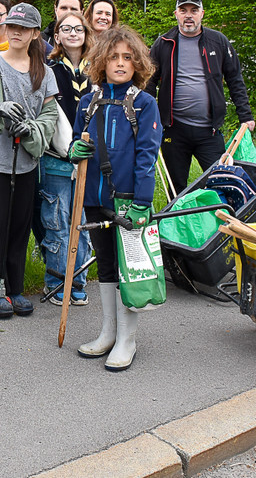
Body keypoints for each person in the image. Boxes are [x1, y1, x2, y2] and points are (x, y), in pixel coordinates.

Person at [68, 25, 161, 372]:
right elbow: (78, 142)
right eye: (113, 57)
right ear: (101, 62)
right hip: (93, 196)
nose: (120, 63)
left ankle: (127, 340)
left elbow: (146, 156)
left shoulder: (144, 104)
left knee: (130, 271)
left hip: (128, 200)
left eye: (127, 57)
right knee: (106, 265)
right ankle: (108, 333)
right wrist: (73, 150)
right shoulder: (88, 102)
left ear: (137, 63)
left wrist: (142, 201)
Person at [0, 3, 58, 319]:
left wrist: (30, 129)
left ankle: (15, 289)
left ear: (34, 33)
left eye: (24, 28)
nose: (16, 32)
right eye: (12, 26)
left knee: (19, 227)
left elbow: (50, 114)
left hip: (27, 161)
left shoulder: (44, 72)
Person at [146, 0, 255, 194]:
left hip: (209, 131)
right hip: (173, 131)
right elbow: (149, 83)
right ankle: (176, 223)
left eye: (194, 10)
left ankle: (219, 223)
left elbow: (235, 80)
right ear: (176, 14)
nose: (189, 15)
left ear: (202, 13)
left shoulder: (219, 42)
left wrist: (246, 116)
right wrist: (147, 118)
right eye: (183, 10)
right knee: (175, 188)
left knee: (221, 183)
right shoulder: (163, 43)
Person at [39, 11, 93, 305]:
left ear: (86, 34)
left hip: (89, 160)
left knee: (81, 223)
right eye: (66, 29)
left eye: (79, 28)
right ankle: (57, 282)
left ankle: (79, 280)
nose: (73, 33)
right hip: (57, 158)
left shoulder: (96, 71)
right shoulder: (48, 70)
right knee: (57, 222)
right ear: (56, 36)